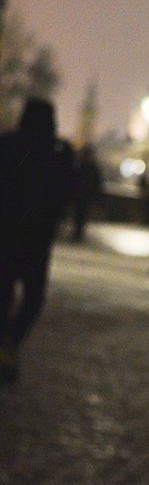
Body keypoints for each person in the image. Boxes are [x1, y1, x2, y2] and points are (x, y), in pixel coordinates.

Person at [0, 98, 76, 382]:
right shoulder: (58, 152)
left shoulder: (7, 144)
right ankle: (10, 344)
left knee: (4, 293)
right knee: (33, 297)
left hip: (5, 233)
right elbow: (69, 191)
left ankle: (4, 343)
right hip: (37, 238)